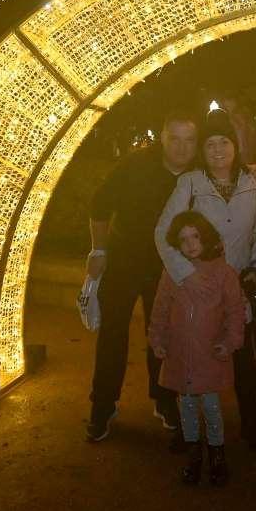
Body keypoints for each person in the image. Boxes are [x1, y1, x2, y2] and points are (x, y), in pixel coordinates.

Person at [155, 109, 256, 452]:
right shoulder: (190, 183)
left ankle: (250, 423)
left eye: (224, 142)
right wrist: (186, 275)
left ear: (235, 146)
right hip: (196, 289)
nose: (218, 149)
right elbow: (163, 232)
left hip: (239, 287)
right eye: (209, 144)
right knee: (191, 356)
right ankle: (188, 430)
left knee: (243, 356)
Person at [86, 110, 199, 445]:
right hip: (123, 260)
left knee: (162, 335)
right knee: (112, 335)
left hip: (166, 266)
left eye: (189, 140)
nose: (181, 147)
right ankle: (103, 406)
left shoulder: (198, 173)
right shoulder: (135, 166)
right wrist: (99, 251)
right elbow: (100, 206)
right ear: (162, 137)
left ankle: (163, 399)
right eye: (174, 139)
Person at [149, 211, 245, 487]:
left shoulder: (224, 273)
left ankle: (217, 455)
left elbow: (234, 312)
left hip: (210, 353)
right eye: (183, 239)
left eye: (195, 236)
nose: (190, 244)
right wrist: (158, 340)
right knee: (187, 406)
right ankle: (194, 455)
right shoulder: (172, 273)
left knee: (212, 407)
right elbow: (160, 310)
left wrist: (229, 342)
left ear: (206, 238)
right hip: (181, 353)